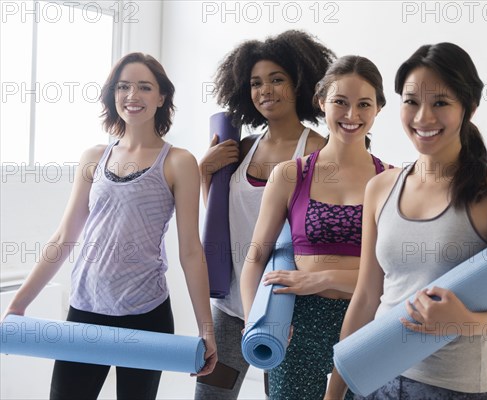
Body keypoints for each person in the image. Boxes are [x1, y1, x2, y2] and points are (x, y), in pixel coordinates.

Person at [325, 42, 487, 400]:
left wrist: (465, 323)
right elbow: (365, 297)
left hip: (453, 388)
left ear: (468, 106)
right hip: (374, 376)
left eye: (440, 103)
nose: (423, 117)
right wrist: (335, 389)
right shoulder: (380, 188)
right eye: (411, 102)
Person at [1, 52, 217, 399]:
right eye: (123, 87)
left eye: (144, 87)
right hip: (86, 310)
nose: (133, 96)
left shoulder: (179, 162)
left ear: (161, 97)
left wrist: (206, 328)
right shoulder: (93, 157)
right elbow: (64, 236)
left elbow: (191, 251)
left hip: (146, 316)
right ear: (112, 95)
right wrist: (19, 304)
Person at [240, 55, 393, 400]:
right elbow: (255, 259)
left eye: (363, 104)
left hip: (369, 325)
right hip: (298, 323)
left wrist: (321, 278)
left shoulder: (393, 181)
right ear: (322, 102)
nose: (351, 115)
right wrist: (258, 323)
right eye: (340, 102)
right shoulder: (290, 174)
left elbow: (393, 276)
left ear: (378, 109)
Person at [195, 30, 335, 399]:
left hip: (288, 309)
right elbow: (224, 219)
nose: (265, 91)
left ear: (299, 84)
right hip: (232, 307)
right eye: (256, 83)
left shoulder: (320, 151)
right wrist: (204, 173)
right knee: (211, 395)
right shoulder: (241, 148)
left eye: (277, 79)